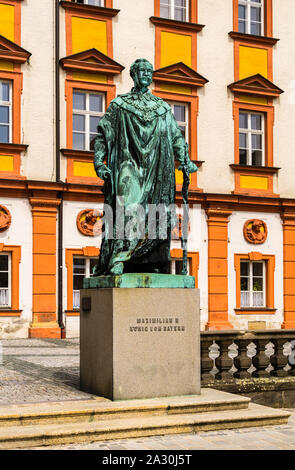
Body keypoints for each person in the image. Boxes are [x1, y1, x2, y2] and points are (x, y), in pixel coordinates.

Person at [93, 58, 197, 276]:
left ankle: (152, 261)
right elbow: (103, 135)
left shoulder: (162, 108)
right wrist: (99, 162)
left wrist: (185, 159)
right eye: (141, 71)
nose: (146, 74)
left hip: (158, 167)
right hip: (128, 164)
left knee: (158, 213)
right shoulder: (119, 105)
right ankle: (120, 257)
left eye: (149, 71)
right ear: (133, 74)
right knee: (128, 207)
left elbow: (176, 137)